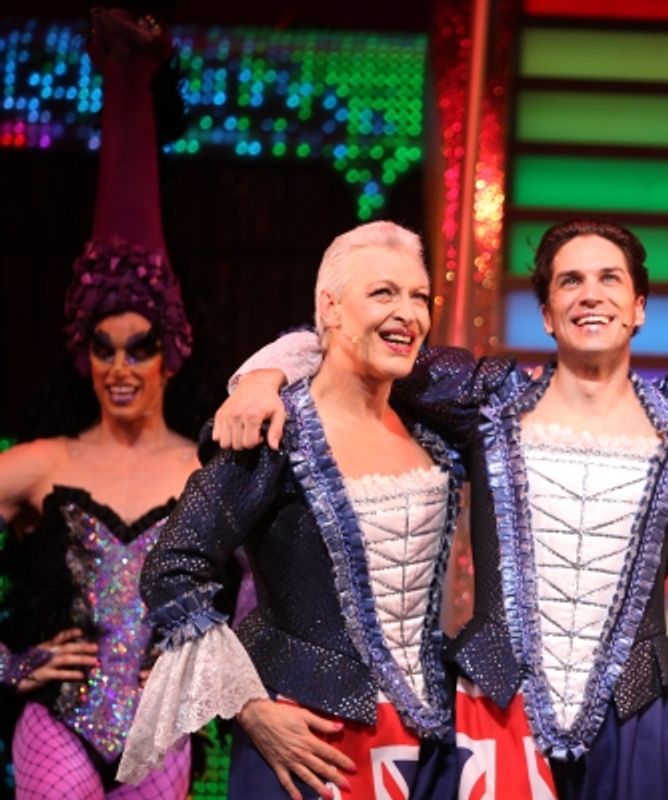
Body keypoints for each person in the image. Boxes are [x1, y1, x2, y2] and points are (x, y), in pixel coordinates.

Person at [216, 218, 668, 799]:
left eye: (609, 280)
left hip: (635, 715)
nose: (589, 294)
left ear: (639, 307)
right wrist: (264, 375)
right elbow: (355, 345)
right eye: (570, 280)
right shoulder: (487, 398)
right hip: (497, 704)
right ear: (547, 311)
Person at [114, 222, 471, 800]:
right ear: (329, 307)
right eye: (383, 293)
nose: (408, 312)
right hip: (307, 746)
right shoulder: (276, 429)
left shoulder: (430, 422)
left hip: (421, 745)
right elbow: (172, 567)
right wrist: (247, 706)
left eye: (419, 297)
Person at [0, 8, 198, 799]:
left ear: (170, 354)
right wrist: (10, 661)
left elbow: (262, 599)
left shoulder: (204, 471)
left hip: (162, 726)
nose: (120, 366)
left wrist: (198, 668)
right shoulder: (44, 463)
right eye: (103, 346)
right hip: (57, 721)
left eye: (139, 346)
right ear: (84, 355)